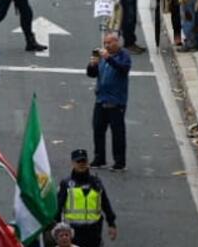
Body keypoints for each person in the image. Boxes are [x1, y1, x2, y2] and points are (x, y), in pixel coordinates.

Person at [86, 31, 130, 171]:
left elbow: (123, 69)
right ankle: (99, 158)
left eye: (110, 42)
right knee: (98, 130)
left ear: (117, 42)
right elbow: (92, 74)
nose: (107, 45)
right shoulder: (102, 57)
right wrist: (92, 64)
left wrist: (109, 58)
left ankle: (119, 162)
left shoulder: (124, 56)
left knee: (117, 133)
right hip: (101, 99)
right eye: (105, 43)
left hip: (116, 102)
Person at [54, 149, 117, 247]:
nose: (81, 164)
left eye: (84, 161)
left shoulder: (96, 183)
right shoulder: (66, 184)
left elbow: (105, 203)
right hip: (73, 232)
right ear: (73, 163)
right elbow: (58, 207)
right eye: (78, 161)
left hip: (94, 231)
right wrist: (57, 228)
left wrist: (111, 224)